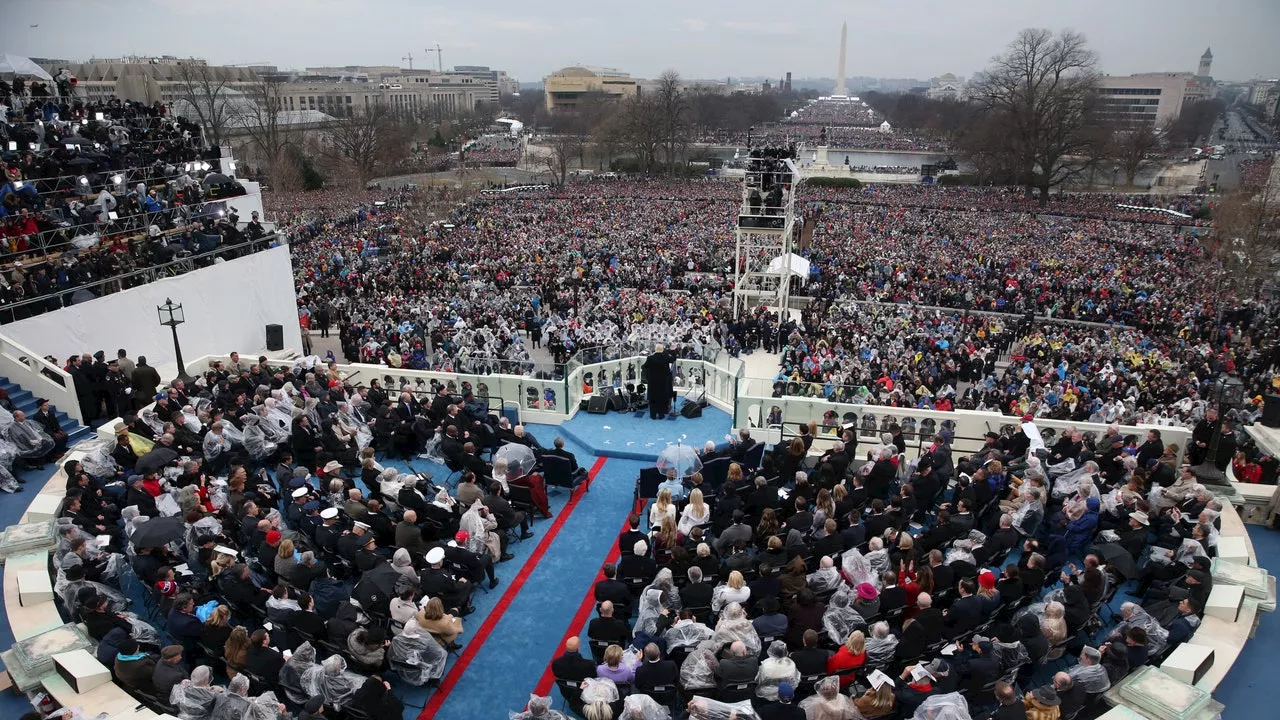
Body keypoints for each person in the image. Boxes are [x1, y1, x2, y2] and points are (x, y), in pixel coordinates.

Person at [389, 619, 447, 686]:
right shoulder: (424, 641)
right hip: (419, 666)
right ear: (416, 630)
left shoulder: (396, 639)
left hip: (405, 666)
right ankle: (433, 680)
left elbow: (392, 655)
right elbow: (438, 654)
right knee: (441, 654)